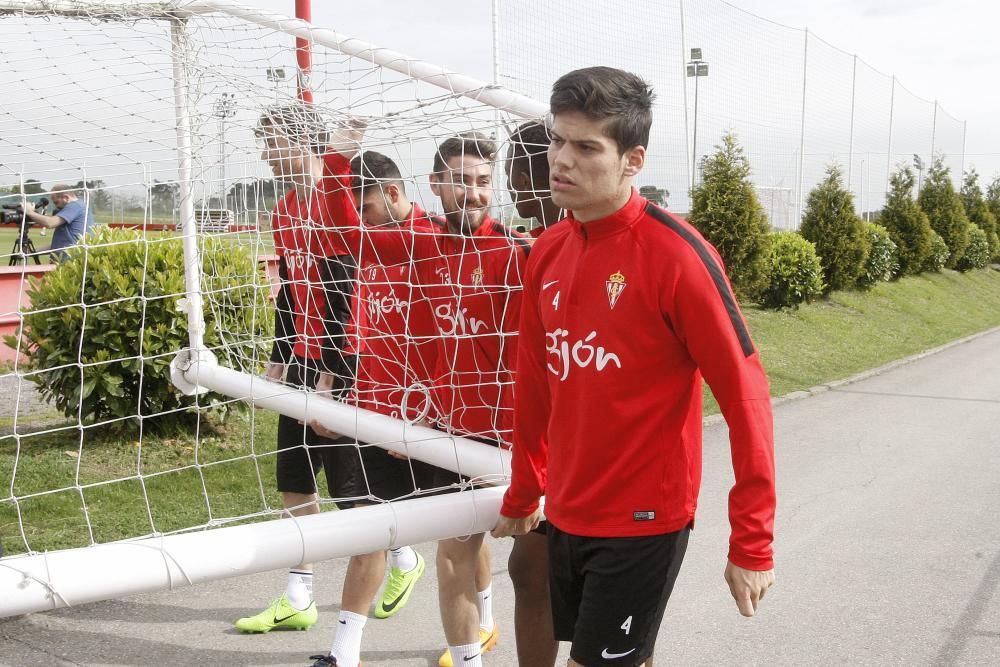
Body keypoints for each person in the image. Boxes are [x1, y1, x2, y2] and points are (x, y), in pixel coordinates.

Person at [492, 66, 777, 667]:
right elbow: (535, 388)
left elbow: (745, 395)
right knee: (580, 619)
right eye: (558, 141)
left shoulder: (678, 256)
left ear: (632, 160)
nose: (561, 160)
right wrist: (524, 492)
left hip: (644, 518)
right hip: (568, 505)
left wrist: (751, 540)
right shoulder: (546, 252)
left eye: (587, 146)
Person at [314, 131, 529, 667]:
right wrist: (339, 160)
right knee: (453, 550)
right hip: (445, 434)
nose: (472, 193)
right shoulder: (422, 245)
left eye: (482, 182)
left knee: (534, 570)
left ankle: (495, 618)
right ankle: (469, 653)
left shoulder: (517, 254)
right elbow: (350, 236)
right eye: (459, 181)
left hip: (508, 439)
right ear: (436, 184)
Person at [235, 104, 423, 636]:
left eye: (272, 142)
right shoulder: (285, 208)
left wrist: (336, 374)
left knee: (350, 488)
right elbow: (292, 289)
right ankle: (299, 597)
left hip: (347, 363)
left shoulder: (339, 196)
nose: (266, 154)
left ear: (301, 143)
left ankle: (403, 555)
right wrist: (280, 354)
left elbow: (349, 285)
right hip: (302, 360)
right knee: (294, 477)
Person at [306, 150, 441, 667]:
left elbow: (454, 334)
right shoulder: (365, 250)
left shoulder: (437, 239)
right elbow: (356, 325)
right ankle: (345, 653)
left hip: (434, 417)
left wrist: (430, 408)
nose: (358, 223)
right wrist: (333, 389)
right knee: (366, 524)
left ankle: (479, 631)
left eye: (364, 209)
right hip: (375, 406)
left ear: (390, 194)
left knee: (461, 542)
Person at [503, 120, 562, 667]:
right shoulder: (530, 245)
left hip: (597, 451)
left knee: (605, 604)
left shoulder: (572, 239)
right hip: (542, 445)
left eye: (520, 169)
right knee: (527, 570)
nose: (512, 183)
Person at [20, 184, 95, 260]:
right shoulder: (80, 206)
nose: (56, 206)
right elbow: (60, 246)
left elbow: (50, 223)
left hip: (68, 263)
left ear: (66, 197)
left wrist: (29, 212)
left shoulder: (75, 206)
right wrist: (32, 252)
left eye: (56, 202)